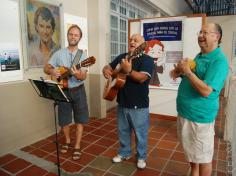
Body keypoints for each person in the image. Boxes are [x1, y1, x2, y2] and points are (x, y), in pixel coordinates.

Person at [170, 23, 229, 176]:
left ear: (216, 37)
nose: (201, 35)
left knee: (203, 159)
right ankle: (194, 172)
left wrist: (188, 72)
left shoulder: (219, 61)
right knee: (192, 153)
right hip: (185, 113)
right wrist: (180, 70)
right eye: (200, 32)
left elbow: (206, 91)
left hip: (199, 119)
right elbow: (182, 76)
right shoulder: (200, 56)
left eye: (206, 32)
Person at [102, 34, 154, 169]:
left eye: (136, 40)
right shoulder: (122, 57)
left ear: (142, 45)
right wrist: (106, 71)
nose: (132, 41)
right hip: (122, 102)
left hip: (139, 105)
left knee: (140, 133)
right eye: (131, 39)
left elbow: (142, 78)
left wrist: (129, 71)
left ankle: (141, 156)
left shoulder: (147, 60)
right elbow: (107, 67)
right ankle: (124, 152)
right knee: (123, 131)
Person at [44, 25, 89, 160]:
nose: (73, 37)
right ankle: (68, 141)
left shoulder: (84, 55)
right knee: (64, 120)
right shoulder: (59, 53)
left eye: (76, 35)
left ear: (79, 38)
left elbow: (83, 76)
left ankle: (77, 146)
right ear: (67, 35)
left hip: (78, 91)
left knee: (80, 119)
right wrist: (52, 71)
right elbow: (46, 67)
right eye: (71, 34)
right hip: (63, 90)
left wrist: (77, 74)